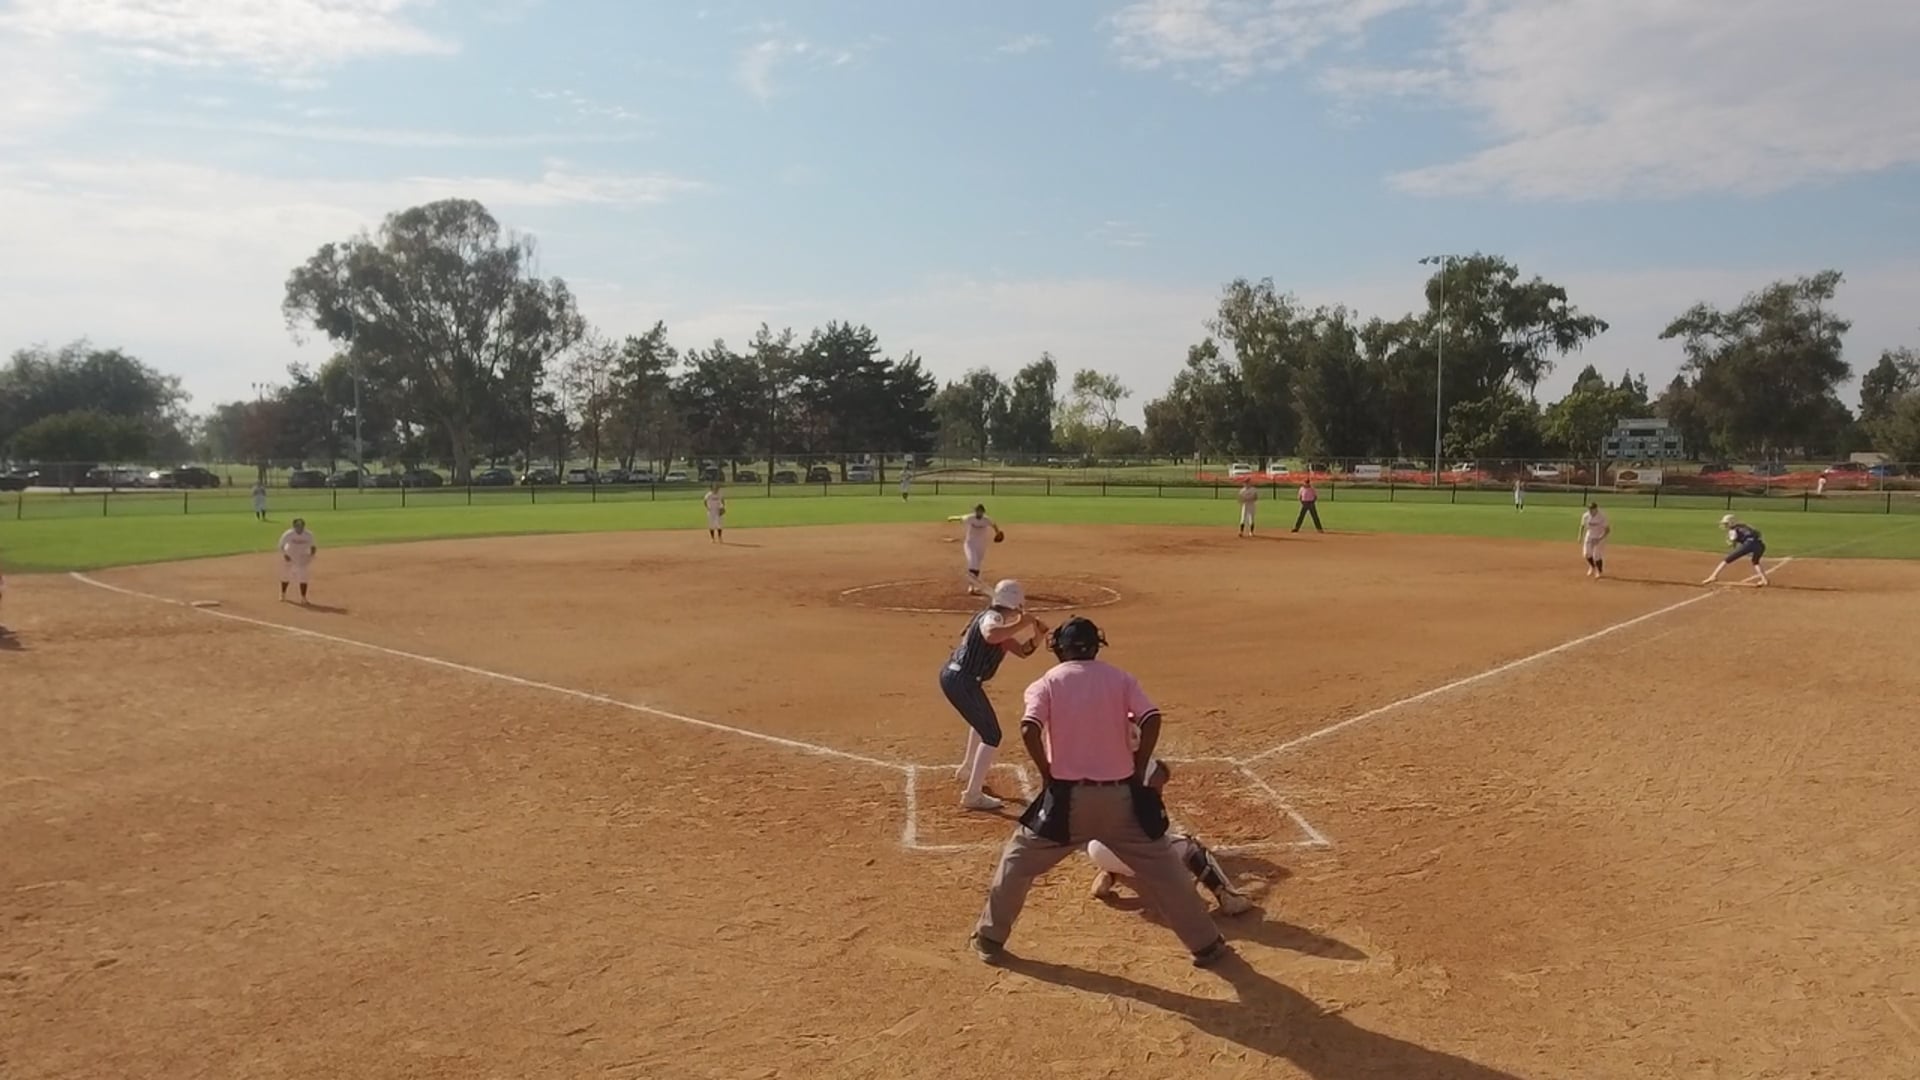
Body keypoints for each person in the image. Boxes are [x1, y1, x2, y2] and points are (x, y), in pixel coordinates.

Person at [969, 616, 1231, 969]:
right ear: (1095, 647)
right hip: (1121, 801)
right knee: (1166, 870)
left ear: (1059, 649)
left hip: (1066, 804)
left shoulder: (1046, 682)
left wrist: (1047, 775)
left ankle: (989, 938)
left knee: (1016, 863)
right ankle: (1206, 945)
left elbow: (1029, 728)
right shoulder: (1121, 679)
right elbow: (1151, 717)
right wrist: (1138, 767)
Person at [1086, 759, 1254, 916]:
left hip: (1096, 850)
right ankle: (1228, 897)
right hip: (1133, 855)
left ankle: (1108, 874)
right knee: (1191, 847)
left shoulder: (1106, 773)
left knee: (1114, 836)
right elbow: (1155, 833)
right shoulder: (1147, 792)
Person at [942, 579, 1048, 811]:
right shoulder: (994, 618)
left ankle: (967, 768)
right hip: (962, 681)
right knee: (992, 735)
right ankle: (972, 795)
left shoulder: (998, 623)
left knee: (981, 722)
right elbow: (991, 635)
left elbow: (1022, 651)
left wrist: (1037, 636)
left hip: (960, 680)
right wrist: (1023, 622)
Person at [946, 504, 1002, 595]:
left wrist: (997, 532)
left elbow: (994, 524)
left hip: (981, 545)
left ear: (983, 512)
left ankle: (975, 585)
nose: (978, 513)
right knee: (973, 563)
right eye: (977, 511)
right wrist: (951, 518)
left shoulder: (986, 520)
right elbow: (960, 517)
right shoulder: (970, 518)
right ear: (975, 511)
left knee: (977, 565)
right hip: (970, 544)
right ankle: (971, 586)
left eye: (980, 511)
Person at [1703, 513, 1769, 586]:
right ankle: (1764, 579)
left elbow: (1732, 543)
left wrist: (1731, 543)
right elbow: (1758, 533)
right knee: (1755, 561)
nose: (1725, 525)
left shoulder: (1733, 530)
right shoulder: (1745, 526)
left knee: (1726, 560)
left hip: (1748, 544)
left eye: (1726, 523)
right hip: (1760, 545)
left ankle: (1713, 576)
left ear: (1731, 523)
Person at [278, 518, 318, 604]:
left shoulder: (308, 535)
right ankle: (283, 594)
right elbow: (281, 545)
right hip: (289, 556)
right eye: (298, 525)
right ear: (294, 526)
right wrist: (285, 554)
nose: (300, 527)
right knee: (286, 576)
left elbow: (313, 547)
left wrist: (311, 557)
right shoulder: (288, 534)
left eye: (301, 525)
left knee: (303, 577)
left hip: (302, 557)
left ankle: (303, 598)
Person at [1579, 502, 1611, 579]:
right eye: (1589, 509)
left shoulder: (1602, 516)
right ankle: (1592, 567)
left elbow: (1607, 530)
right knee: (1586, 554)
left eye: (1592, 509)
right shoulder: (1586, 516)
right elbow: (1582, 526)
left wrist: (1599, 538)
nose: (1590, 511)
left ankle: (1599, 571)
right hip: (1589, 535)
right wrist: (1580, 536)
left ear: (1596, 509)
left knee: (1596, 555)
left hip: (1599, 536)